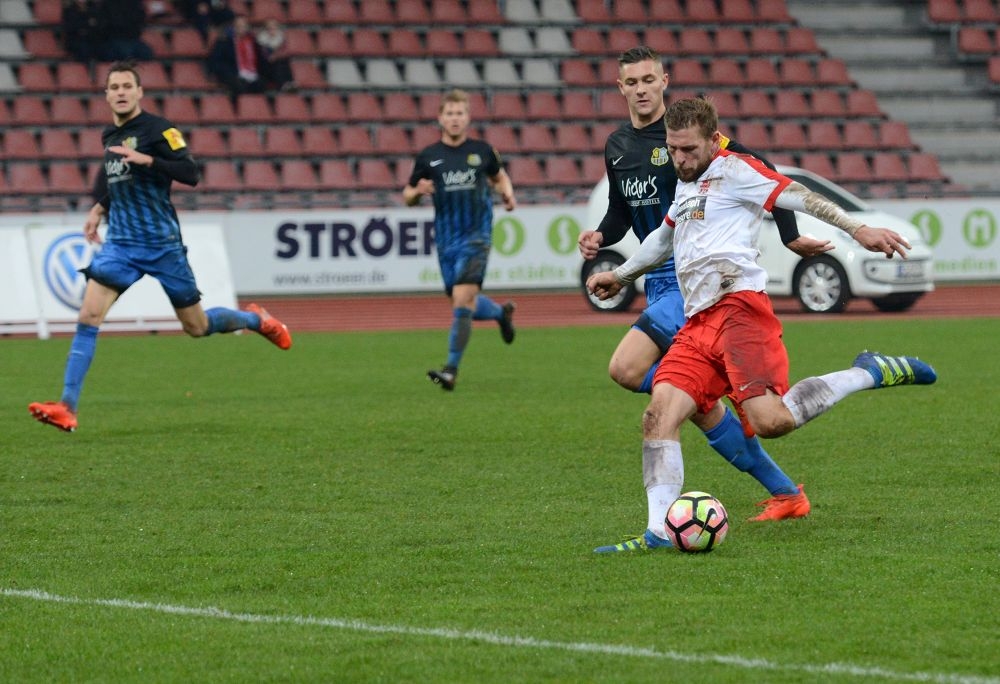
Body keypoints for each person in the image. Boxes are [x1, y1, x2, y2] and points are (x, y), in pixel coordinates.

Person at [586, 97, 937, 550]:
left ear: (713, 140)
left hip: (739, 310)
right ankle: (657, 534)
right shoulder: (687, 185)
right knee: (658, 415)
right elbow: (662, 239)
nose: (680, 159)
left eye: (688, 149)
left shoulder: (736, 169)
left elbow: (798, 195)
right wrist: (620, 275)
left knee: (771, 421)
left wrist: (857, 230)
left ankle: (867, 371)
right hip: (698, 321)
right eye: (672, 150)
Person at [579, 47, 829, 537]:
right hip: (655, 279)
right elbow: (621, 212)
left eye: (649, 79)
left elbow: (761, 167)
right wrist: (601, 236)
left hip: (694, 280)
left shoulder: (688, 134)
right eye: (632, 82)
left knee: (626, 368)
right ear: (620, 87)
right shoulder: (618, 145)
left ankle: (720, 399)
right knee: (694, 408)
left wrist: (789, 234)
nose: (642, 89)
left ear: (664, 81)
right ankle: (786, 492)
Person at [28, 61, 291, 433]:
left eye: (127, 86)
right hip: (121, 244)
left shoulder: (160, 129)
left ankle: (256, 321)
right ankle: (66, 407)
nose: (120, 92)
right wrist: (100, 207)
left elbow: (191, 173)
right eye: (114, 87)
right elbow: (123, 183)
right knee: (88, 318)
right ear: (106, 95)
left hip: (162, 245)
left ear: (139, 92)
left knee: (196, 326)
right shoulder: (109, 135)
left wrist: (149, 160)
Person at [402, 88, 517, 391]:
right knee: (461, 302)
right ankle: (500, 313)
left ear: (467, 117)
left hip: (477, 236)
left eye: (460, 113)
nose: (455, 118)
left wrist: (508, 193)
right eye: (450, 113)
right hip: (446, 241)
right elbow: (407, 194)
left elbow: (499, 177)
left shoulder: (482, 151)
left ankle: (451, 369)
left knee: (463, 299)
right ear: (440, 118)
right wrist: (417, 192)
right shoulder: (429, 156)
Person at [206, 15, 266, 98]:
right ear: (233, 27)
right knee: (239, 85)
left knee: (261, 85)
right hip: (233, 74)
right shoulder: (223, 42)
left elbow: (261, 60)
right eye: (238, 26)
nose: (241, 28)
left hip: (252, 74)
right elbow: (215, 60)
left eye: (244, 26)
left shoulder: (253, 42)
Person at [256, 18, 295, 92]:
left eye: (274, 27)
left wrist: (276, 55)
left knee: (284, 60)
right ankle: (284, 84)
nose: (272, 29)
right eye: (269, 27)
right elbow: (266, 56)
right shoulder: (261, 39)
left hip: (278, 65)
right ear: (266, 29)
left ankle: (289, 83)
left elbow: (285, 52)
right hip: (266, 68)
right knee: (278, 62)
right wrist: (275, 55)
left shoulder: (281, 38)